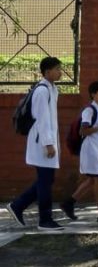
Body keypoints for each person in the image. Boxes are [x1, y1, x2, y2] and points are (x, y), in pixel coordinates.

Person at [7, 56, 64, 230]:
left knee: (46, 180)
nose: (60, 72)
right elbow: (42, 120)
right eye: (57, 69)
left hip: (47, 142)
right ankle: (44, 220)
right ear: (47, 72)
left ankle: (18, 205)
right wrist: (48, 144)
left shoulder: (52, 89)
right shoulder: (42, 91)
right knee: (45, 181)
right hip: (42, 144)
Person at [60, 81, 98, 224]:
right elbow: (83, 131)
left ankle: (69, 203)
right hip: (91, 149)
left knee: (93, 179)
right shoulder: (89, 110)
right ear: (93, 94)